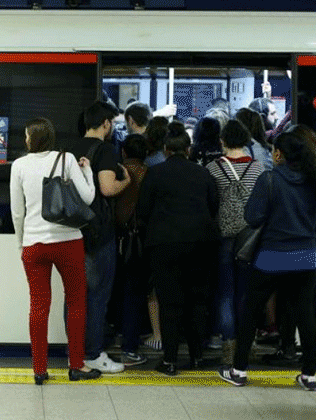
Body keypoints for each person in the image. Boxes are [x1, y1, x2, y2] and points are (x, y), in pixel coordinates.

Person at [219, 129, 316, 391]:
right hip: (305, 256)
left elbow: (253, 217)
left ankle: (239, 370)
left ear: (278, 154)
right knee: (306, 314)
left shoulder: (269, 179)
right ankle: (309, 375)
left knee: (250, 311)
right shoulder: (315, 182)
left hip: (271, 256)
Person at [10, 118, 101, 384]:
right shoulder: (67, 159)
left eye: (27, 136)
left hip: (34, 245)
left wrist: (21, 244)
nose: (25, 140)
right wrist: (88, 173)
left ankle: (39, 369)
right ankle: (76, 366)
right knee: (76, 301)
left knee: (38, 305)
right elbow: (87, 198)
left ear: (32, 139)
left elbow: (18, 212)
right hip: (69, 241)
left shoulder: (19, 165)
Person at [138, 124, 220, 376]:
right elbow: (213, 206)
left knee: (170, 302)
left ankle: (170, 360)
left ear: (165, 150)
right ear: (188, 149)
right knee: (197, 301)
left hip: (164, 245)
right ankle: (197, 356)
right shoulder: (203, 173)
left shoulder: (154, 173)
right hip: (201, 244)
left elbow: (142, 211)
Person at [68, 100, 130, 374]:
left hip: (69, 231)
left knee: (73, 296)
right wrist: (126, 182)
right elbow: (106, 187)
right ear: (104, 123)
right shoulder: (104, 150)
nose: (113, 127)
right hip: (96, 234)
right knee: (96, 295)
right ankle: (93, 353)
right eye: (113, 123)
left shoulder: (67, 150)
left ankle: (75, 354)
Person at [205, 120, 264, 364]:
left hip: (223, 235)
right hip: (251, 236)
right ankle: (247, 344)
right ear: (247, 140)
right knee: (247, 292)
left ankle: (228, 344)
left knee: (225, 291)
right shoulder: (258, 168)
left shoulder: (212, 168)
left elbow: (209, 202)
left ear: (222, 141)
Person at [113, 134, 149, 367]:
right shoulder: (150, 173)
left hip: (116, 238)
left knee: (117, 290)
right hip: (141, 239)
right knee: (135, 293)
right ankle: (130, 345)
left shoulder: (116, 172)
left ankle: (118, 334)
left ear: (124, 152)